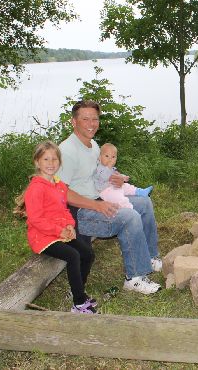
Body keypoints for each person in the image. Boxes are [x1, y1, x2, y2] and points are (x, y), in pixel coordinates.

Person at [57, 100, 162, 295]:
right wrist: (97, 206)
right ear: (73, 122)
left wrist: (116, 179)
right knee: (129, 217)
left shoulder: (93, 145)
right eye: (85, 119)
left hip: (98, 199)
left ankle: (149, 256)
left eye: (95, 119)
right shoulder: (67, 150)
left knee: (144, 203)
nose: (91, 123)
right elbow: (62, 193)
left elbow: (99, 173)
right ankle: (134, 278)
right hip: (80, 213)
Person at [14, 141, 97, 313]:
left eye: (54, 159)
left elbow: (64, 209)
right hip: (42, 238)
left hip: (61, 232)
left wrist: (69, 225)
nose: (51, 163)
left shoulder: (59, 185)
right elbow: (36, 219)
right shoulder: (36, 188)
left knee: (87, 253)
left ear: (59, 162)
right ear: (37, 162)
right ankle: (79, 303)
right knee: (73, 255)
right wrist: (59, 230)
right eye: (46, 159)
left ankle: (77, 289)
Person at [94, 142, 153, 209]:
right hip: (104, 191)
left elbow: (116, 175)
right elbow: (103, 177)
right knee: (119, 197)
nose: (110, 159)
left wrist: (123, 177)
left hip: (112, 186)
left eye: (113, 157)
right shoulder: (99, 168)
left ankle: (141, 192)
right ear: (100, 157)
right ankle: (128, 208)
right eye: (107, 156)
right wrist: (109, 167)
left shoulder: (112, 168)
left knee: (127, 186)